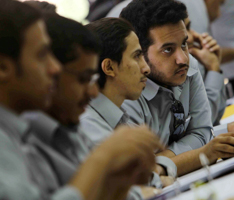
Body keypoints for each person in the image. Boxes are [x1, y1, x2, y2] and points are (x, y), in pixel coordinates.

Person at [0, 0, 162, 199]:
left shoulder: (24, 130)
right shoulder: (19, 137)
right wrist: (104, 157)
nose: (55, 68)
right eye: (42, 55)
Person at [119, 0, 234, 176]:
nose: (183, 58)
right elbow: (144, 173)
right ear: (139, 53)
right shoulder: (125, 98)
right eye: (168, 50)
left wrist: (167, 158)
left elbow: (202, 131)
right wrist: (202, 151)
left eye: (183, 44)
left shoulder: (188, 65)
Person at [80, 17, 177, 191]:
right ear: (109, 67)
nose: (146, 68)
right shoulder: (89, 125)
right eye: (137, 56)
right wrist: (158, 180)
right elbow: (135, 183)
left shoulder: (118, 114)